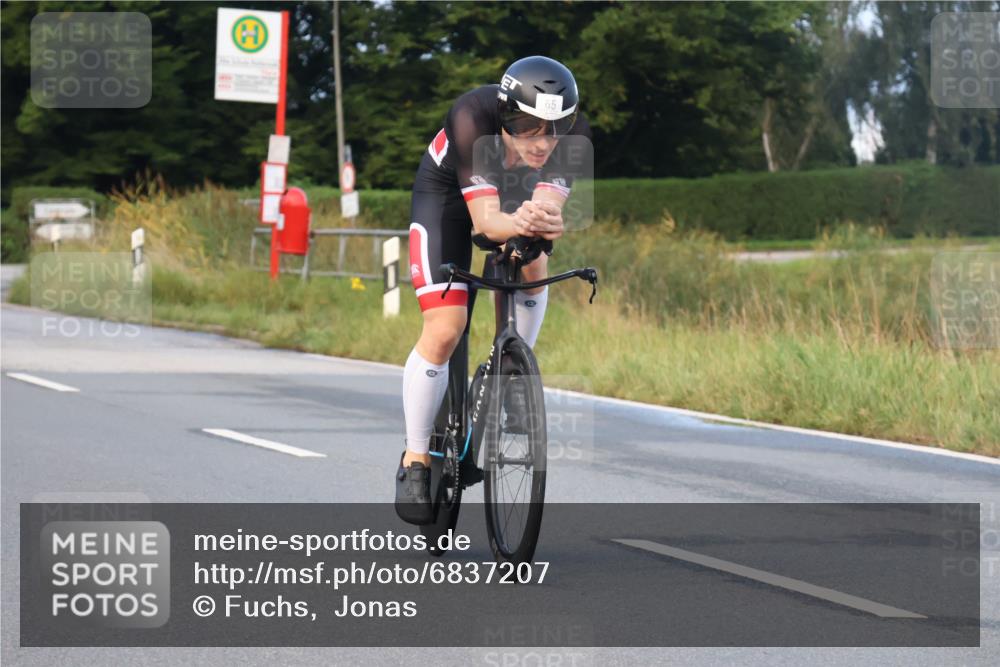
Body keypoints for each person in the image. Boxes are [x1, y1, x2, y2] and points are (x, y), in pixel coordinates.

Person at [395, 55, 591, 524]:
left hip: (513, 195)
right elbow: (485, 223)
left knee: (534, 256)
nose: (543, 142)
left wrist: (543, 220)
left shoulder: (575, 132)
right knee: (445, 329)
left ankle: (513, 368)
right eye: (527, 127)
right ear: (505, 115)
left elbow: (543, 208)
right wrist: (518, 220)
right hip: (448, 201)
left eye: (553, 129)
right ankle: (416, 458)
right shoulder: (470, 117)